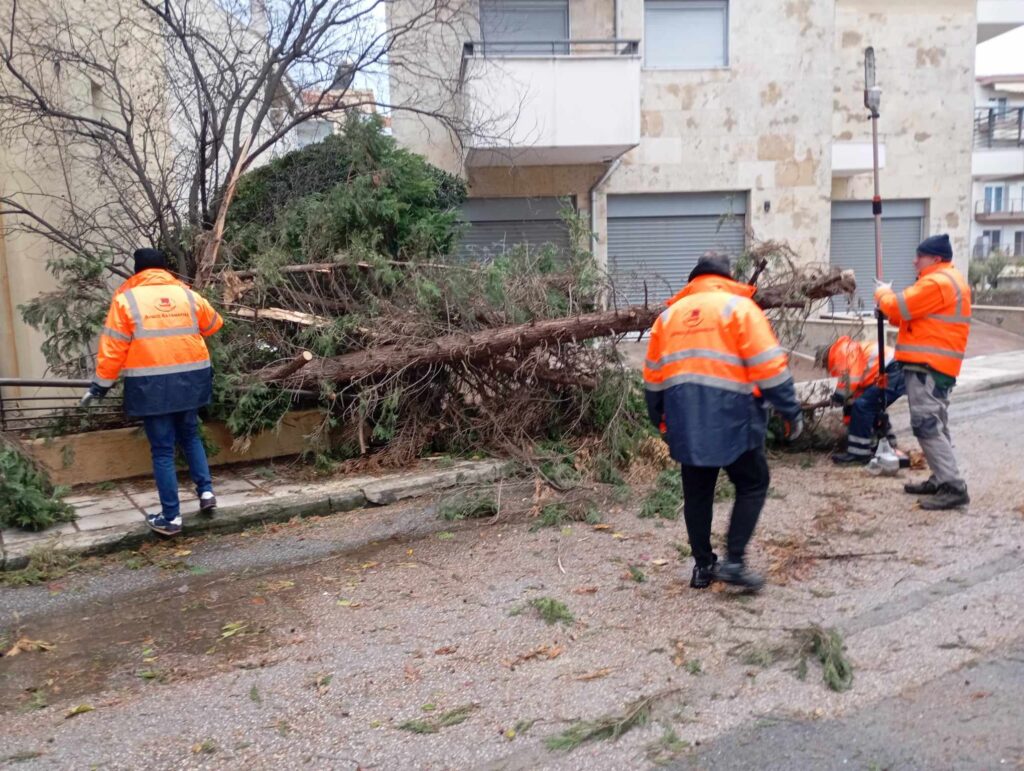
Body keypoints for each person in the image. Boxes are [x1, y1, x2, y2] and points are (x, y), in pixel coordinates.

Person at [643, 254, 803, 592]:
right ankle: (734, 561)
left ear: (693, 279)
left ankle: (703, 566)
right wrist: (790, 411)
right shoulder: (740, 308)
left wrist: (659, 419)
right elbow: (770, 367)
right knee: (752, 484)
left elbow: (653, 378)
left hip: (686, 422)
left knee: (697, 494)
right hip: (735, 420)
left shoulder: (668, 318)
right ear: (726, 277)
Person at [81, 248, 224, 535]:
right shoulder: (186, 294)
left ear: (138, 271)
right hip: (190, 379)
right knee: (190, 435)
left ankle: (171, 518)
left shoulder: (126, 300)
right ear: (164, 269)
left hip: (152, 384)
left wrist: (100, 386)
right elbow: (213, 324)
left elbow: (112, 350)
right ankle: (206, 493)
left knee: (162, 450)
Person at [874, 233, 971, 510]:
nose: (915, 260)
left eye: (921, 256)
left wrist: (883, 293)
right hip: (935, 367)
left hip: (928, 367)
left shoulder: (937, 282)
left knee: (927, 425)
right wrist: (888, 307)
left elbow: (899, 305)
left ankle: (952, 486)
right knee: (936, 424)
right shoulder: (946, 281)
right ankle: (941, 478)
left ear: (936, 258)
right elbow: (905, 314)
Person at [817, 336, 905, 465]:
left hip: (892, 371)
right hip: (894, 369)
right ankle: (887, 444)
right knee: (868, 405)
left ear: (824, 358)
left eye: (824, 365)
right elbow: (854, 391)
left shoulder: (840, 352)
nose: (825, 368)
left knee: (863, 406)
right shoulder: (846, 350)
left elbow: (850, 382)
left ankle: (859, 453)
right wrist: (849, 418)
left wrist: (838, 397)